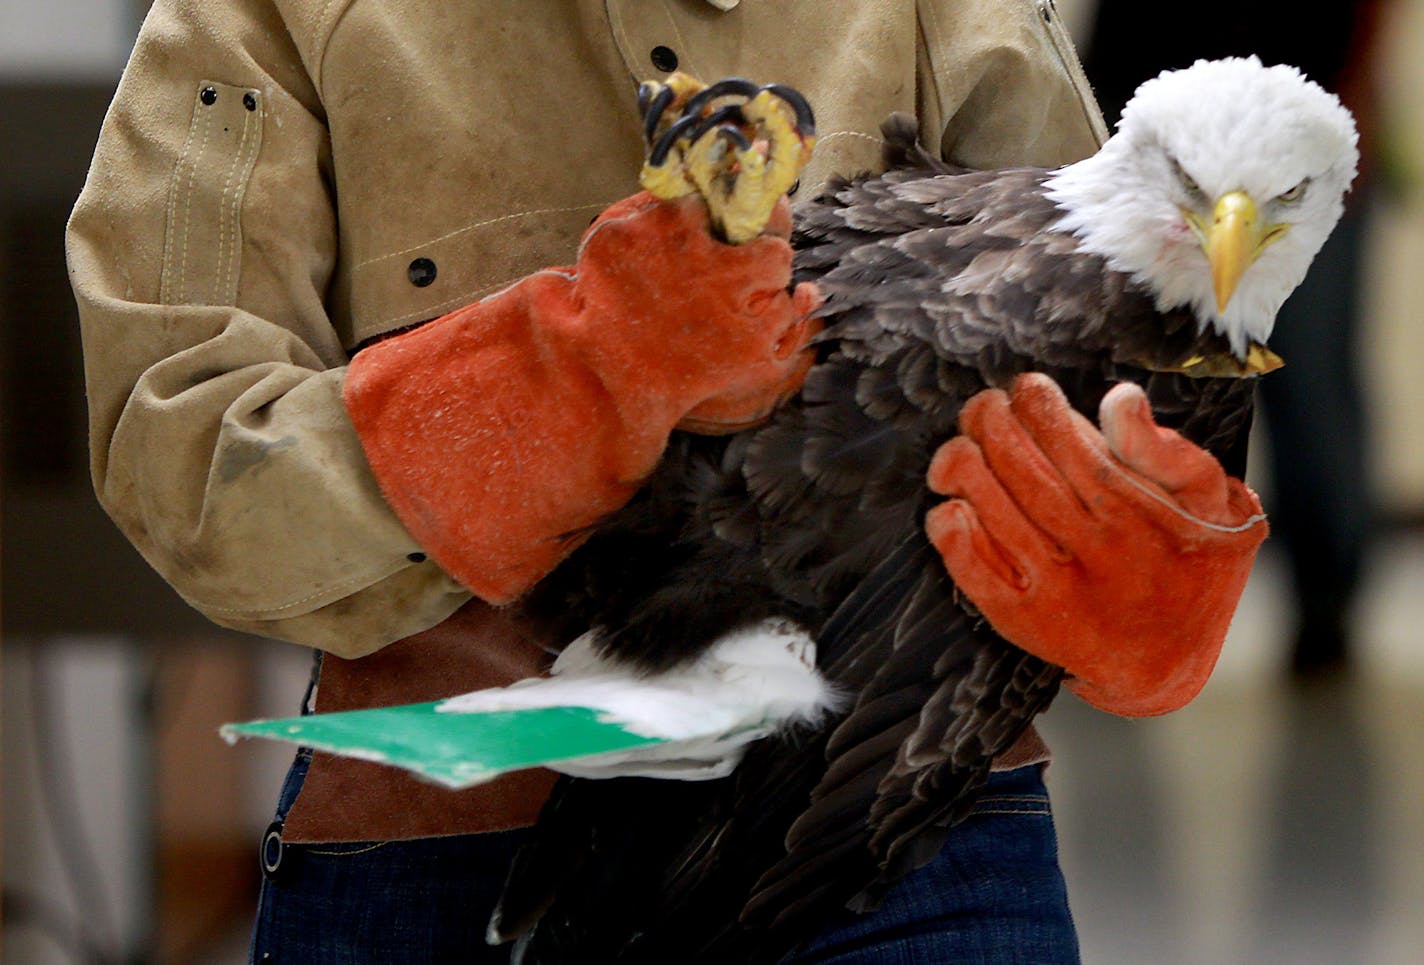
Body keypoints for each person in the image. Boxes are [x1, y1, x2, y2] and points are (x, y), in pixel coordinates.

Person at [67, 1, 1264, 961]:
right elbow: (190, 469)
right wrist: (584, 369)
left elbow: (1123, 358)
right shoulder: (262, 18)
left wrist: (1141, 549)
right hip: (449, 842)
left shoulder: (949, 13)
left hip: (908, 828)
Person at [1080, 0, 1386, 677]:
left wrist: (1356, 110)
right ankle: (1131, 614)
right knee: (1137, 400)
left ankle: (1326, 607)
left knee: (1311, 394)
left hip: (1302, 156)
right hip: (1156, 154)